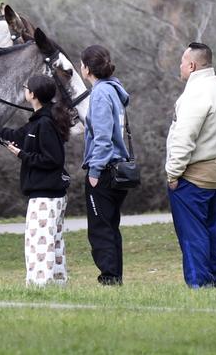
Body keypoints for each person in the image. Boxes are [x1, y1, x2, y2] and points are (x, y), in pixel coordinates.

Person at [0, 75, 71, 286]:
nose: (25, 90)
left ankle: (39, 286)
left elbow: (53, 160)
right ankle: (58, 285)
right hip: (46, 193)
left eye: (26, 87)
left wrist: (22, 156)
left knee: (39, 242)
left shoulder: (45, 123)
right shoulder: (39, 120)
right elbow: (15, 136)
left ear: (33, 94)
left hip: (46, 193)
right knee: (53, 242)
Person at [166, 42, 216, 288]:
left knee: (193, 234)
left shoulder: (196, 94)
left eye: (182, 62)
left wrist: (173, 173)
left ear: (192, 65)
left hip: (193, 176)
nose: (180, 66)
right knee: (213, 231)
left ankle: (200, 284)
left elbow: (184, 138)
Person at [80, 45, 130, 286]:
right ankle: (115, 275)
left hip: (105, 170)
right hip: (119, 168)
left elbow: (102, 137)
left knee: (100, 227)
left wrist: (95, 170)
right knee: (111, 226)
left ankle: (109, 277)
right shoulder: (115, 91)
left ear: (87, 69)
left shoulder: (99, 93)